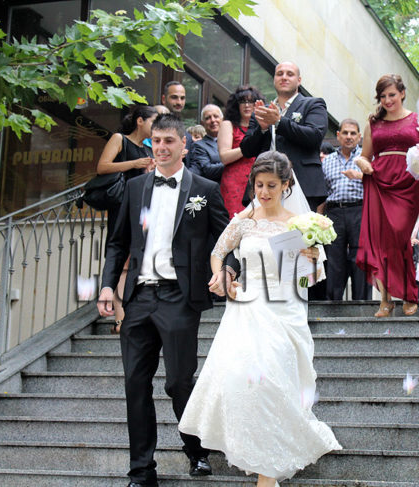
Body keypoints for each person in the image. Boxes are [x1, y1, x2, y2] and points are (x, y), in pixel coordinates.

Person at [179, 151, 341, 487]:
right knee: (243, 382)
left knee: (273, 384)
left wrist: (311, 257)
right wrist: (223, 275)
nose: (264, 192)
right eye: (259, 185)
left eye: (271, 185)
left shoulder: (300, 224)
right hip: (247, 308)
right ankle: (260, 459)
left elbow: (309, 278)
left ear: (285, 185)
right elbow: (218, 252)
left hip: (284, 310)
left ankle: (267, 474)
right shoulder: (245, 220)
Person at [96, 114, 231, 487]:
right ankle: (141, 471)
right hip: (139, 297)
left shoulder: (205, 189)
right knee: (135, 384)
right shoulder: (135, 187)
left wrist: (226, 271)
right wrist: (107, 286)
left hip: (179, 297)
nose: (161, 147)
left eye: (169, 141)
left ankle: (195, 448)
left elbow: (227, 240)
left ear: (184, 145)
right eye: (156, 141)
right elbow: (118, 242)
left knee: (178, 382)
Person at [354, 74, 419, 317]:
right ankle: (385, 299)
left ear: (402, 93)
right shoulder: (373, 123)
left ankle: (409, 293)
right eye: (382, 96)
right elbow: (364, 155)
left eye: (392, 94)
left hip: (407, 182)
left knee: (400, 237)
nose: (387, 100)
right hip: (378, 181)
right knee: (380, 242)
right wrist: (363, 163)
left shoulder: (418, 120)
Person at [95, 104, 158, 333]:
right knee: (122, 261)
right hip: (122, 207)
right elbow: (102, 167)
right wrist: (134, 164)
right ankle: (120, 319)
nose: (156, 127)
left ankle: (134, 315)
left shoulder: (147, 149)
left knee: (137, 261)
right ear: (140, 121)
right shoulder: (119, 139)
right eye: (153, 121)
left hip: (142, 210)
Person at [239, 61, 329, 211]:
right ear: (274, 79)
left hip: (302, 183)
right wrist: (262, 129)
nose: (284, 77)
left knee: (299, 226)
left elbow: (314, 136)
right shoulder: (262, 110)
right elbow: (246, 150)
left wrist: (279, 122)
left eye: (290, 74)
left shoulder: (313, 104)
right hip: (264, 186)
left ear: (299, 80)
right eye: (279, 74)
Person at [321, 118, 371, 300]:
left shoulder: (367, 159)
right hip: (334, 213)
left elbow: (380, 183)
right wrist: (319, 218)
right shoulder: (327, 161)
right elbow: (323, 192)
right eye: (345, 133)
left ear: (359, 136)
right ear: (338, 135)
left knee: (361, 258)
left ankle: (362, 305)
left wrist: (360, 175)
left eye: (353, 133)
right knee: (334, 259)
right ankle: (333, 305)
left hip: (360, 210)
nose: (349, 137)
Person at [218, 85, 264, 217]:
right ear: (236, 105)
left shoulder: (262, 126)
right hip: (234, 182)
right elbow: (224, 156)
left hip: (259, 179)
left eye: (251, 101)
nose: (247, 105)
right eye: (242, 101)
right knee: (235, 221)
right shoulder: (228, 125)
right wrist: (248, 147)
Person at [189, 104, 224, 181]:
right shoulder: (199, 145)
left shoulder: (233, 140)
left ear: (222, 119)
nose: (213, 120)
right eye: (208, 118)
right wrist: (232, 163)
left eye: (216, 116)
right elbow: (208, 170)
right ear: (203, 123)